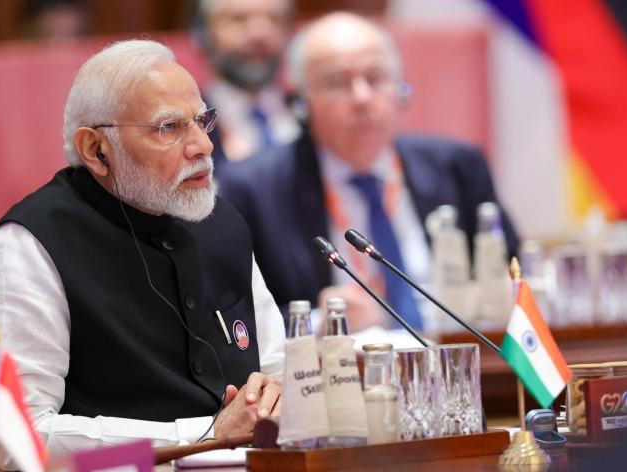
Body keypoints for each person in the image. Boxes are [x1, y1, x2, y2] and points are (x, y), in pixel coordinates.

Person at [0, 40, 286, 470]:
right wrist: (200, 439)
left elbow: (276, 369)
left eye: (201, 121)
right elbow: (17, 439)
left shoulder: (220, 221)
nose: (203, 146)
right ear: (95, 149)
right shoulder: (28, 245)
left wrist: (278, 401)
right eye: (169, 128)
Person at [218, 12, 519, 333]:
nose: (362, 98)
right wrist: (317, 322)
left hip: (454, 353)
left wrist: (494, 292)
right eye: (338, 83)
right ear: (301, 103)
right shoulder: (253, 190)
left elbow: (514, 272)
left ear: (401, 90)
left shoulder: (458, 167)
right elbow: (234, 319)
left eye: (375, 78)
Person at [192, 0, 300, 169]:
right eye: (239, 19)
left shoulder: (309, 114)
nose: (259, 33)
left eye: (274, 19)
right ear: (203, 34)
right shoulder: (189, 124)